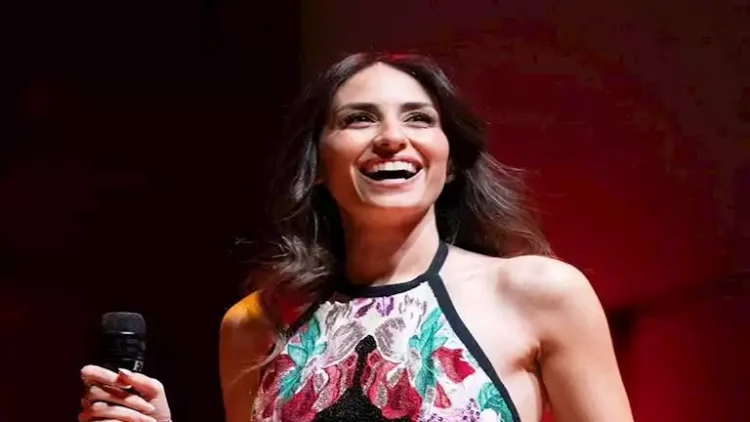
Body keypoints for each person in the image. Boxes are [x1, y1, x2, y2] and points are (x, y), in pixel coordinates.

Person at [79, 52, 634, 422]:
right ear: (317, 164)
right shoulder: (254, 324)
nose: (392, 137)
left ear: (452, 161)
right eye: (359, 119)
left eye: (419, 119)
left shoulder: (539, 293)